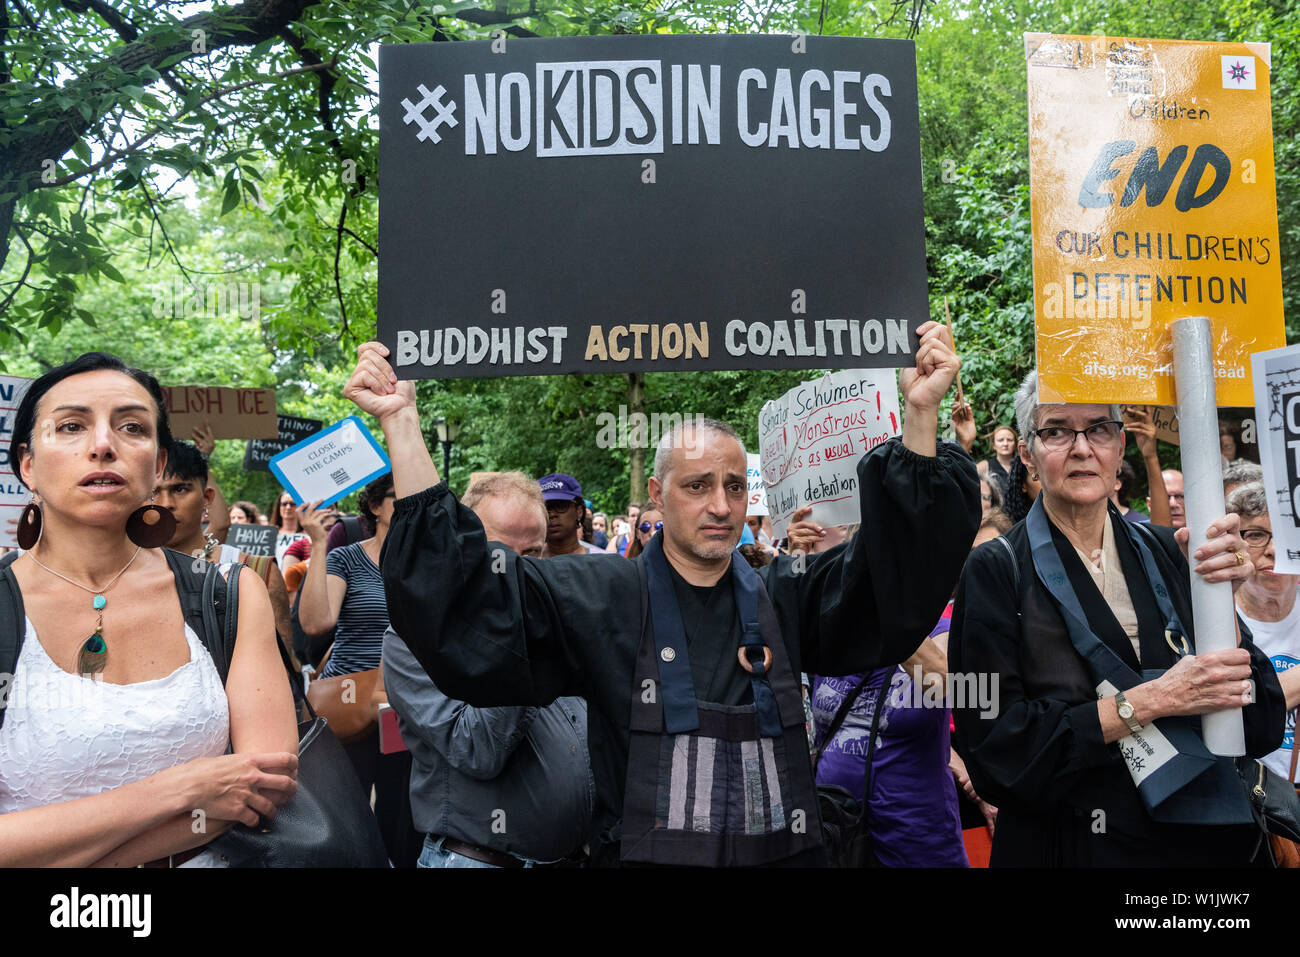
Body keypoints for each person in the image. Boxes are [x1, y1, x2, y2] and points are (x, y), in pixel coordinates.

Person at [350, 320, 980, 867]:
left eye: (735, 486)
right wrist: (402, 421)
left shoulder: (785, 595)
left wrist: (921, 416)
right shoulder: (598, 597)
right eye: (698, 485)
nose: (721, 505)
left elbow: (890, 579)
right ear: (656, 495)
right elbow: (463, 596)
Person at [950, 369, 1285, 866]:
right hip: (1066, 846)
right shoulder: (996, 567)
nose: (1082, 448)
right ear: (1027, 453)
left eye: (1099, 429)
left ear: (1120, 445)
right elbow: (994, 752)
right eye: (1057, 430)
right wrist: (1153, 700)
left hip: (1188, 847)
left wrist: (1224, 609)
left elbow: (1260, 724)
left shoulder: (1168, 552)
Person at [0, 352, 298, 866]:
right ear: (28, 463)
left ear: (157, 463)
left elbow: (265, 785)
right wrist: (177, 790)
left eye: (132, 428)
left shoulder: (228, 593)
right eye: (71, 426)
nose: (102, 446)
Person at [381, 471, 593, 867]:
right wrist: (523, 641)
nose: (511, 568)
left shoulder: (552, 615)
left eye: (529, 554)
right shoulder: (413, 637)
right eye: (498, 550)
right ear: (465, 545)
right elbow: (476, 750)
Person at [297, 472, 421, 867]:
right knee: (346, 812)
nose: (410, 508)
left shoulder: (427, 563)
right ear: (374, 506)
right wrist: (318, 544)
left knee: (401, 814)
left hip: (407, 704)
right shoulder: (346, 557)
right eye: (399, 498)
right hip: (349, 700)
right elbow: (316, 623)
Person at [155, 439, 294, 661]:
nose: (166, 503)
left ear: (207, 499)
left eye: (180, 489)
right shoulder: (118, 577)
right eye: (152, 493)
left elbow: (282, 667)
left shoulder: (258, 572)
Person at [1227, 482, 1300, 782]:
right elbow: (1238, 712)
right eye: (1256, 535)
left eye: (1285, 535)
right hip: (1251, 798)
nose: (1272, 550)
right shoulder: (1215, 621)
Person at [538, 473, 606, 556]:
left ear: (579, 512)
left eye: (560, 506)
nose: (551, 514)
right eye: (545, 508)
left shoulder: (601, 562)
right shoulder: (528, 562)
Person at [269, 490, 309, 573]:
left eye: (292, 504)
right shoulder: (269, 534)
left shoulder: (309, 534)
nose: (288, 507)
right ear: (278, 507)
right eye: (284, 504)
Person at [977, 424, 1018, 497]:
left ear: (1015, 444)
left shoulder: (1024, 465)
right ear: (993, 445)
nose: (1005, 444)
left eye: (1009, 440)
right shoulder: (984, 467)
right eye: (1000, 440)